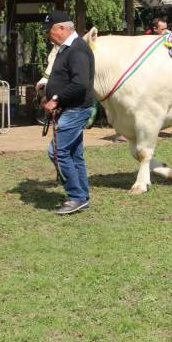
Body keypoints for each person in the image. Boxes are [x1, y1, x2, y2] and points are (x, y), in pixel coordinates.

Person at [42, 11, 96, 215]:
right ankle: (82, 195)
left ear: (63, 28)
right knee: (74, 154)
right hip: (71, 108)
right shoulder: (66, 49)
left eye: (50, 30)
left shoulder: (77, 50)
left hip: (76, 109)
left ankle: (75, 196)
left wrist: (55, 99)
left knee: (57, 151)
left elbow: (80, 84)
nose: (49, 35)